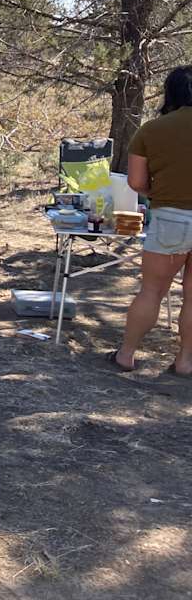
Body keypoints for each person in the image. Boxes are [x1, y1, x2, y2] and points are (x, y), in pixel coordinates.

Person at [111, 66, 192, 374]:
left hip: (171, 217)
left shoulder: (153, 130)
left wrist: (158, 192)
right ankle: (185, 362)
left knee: (152, 291)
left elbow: (135, 182)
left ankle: (126, 355)